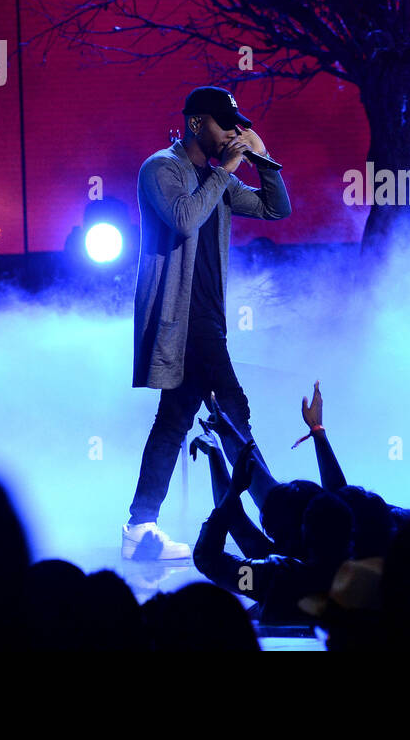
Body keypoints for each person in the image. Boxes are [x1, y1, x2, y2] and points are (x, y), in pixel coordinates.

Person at [123, 86, 291, 560]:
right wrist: (226, 173)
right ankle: (275, 516)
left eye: (236, 125)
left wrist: (264, 161)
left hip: (210, 317)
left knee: (175, 420)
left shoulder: (216, 176)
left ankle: (140, 526)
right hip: (180, 317)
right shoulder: (162, 168)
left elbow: (276, 209)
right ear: (197, 123)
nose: (233, 134)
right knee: (233, 410)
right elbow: (183, 218)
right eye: (224, 124)